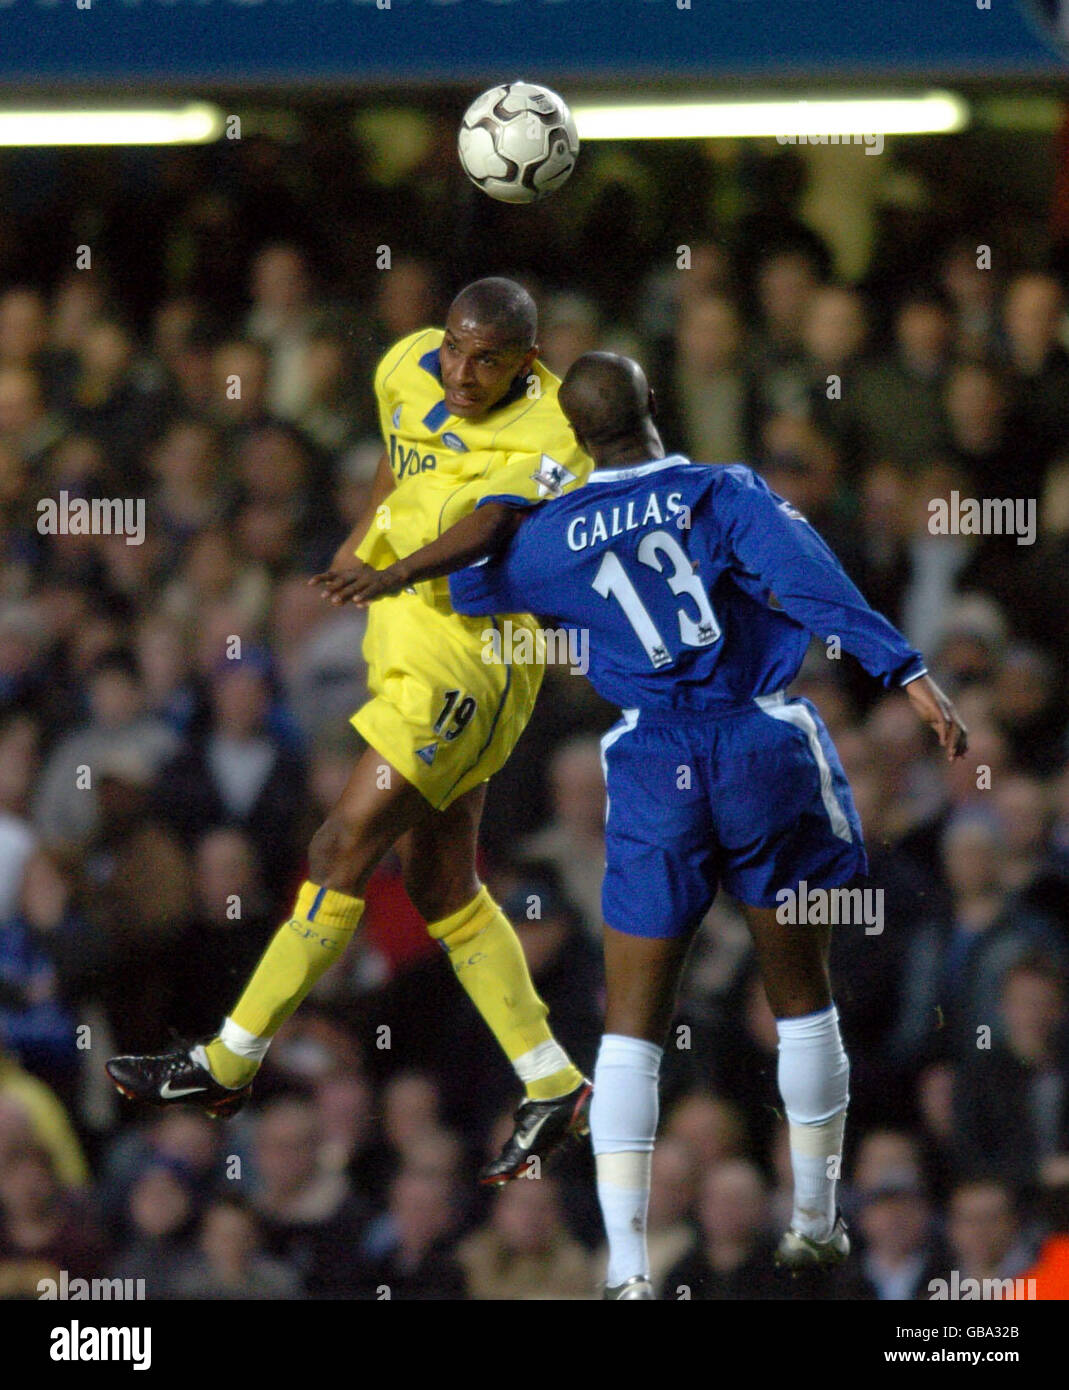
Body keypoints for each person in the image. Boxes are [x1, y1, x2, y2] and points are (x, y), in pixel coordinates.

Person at [342, 351, 968, 1297]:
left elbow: (468, 589)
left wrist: (496, 508)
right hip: (760, 748)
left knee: (629, 1028)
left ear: (574, 434)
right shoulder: (720, 490)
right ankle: (811, 1220)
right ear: (652, 409)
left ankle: (628, 1271)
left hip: (649, 767)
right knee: (801, 998)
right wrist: (909, 677)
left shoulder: (551, 535)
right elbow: (810, 583)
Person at [107, 278, 594, 1184]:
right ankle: (551, 1080)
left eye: (487, 358)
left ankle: (228, 1061)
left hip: (474, 658)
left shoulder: (555, 426)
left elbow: (495, 525)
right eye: (454, 346)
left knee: (339, 844)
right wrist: (362, 543)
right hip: (406, 640)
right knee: (443, 883)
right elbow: (399, 457)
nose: (460, 369)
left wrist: (399, 566)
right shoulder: (406, 365)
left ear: (525, 361)